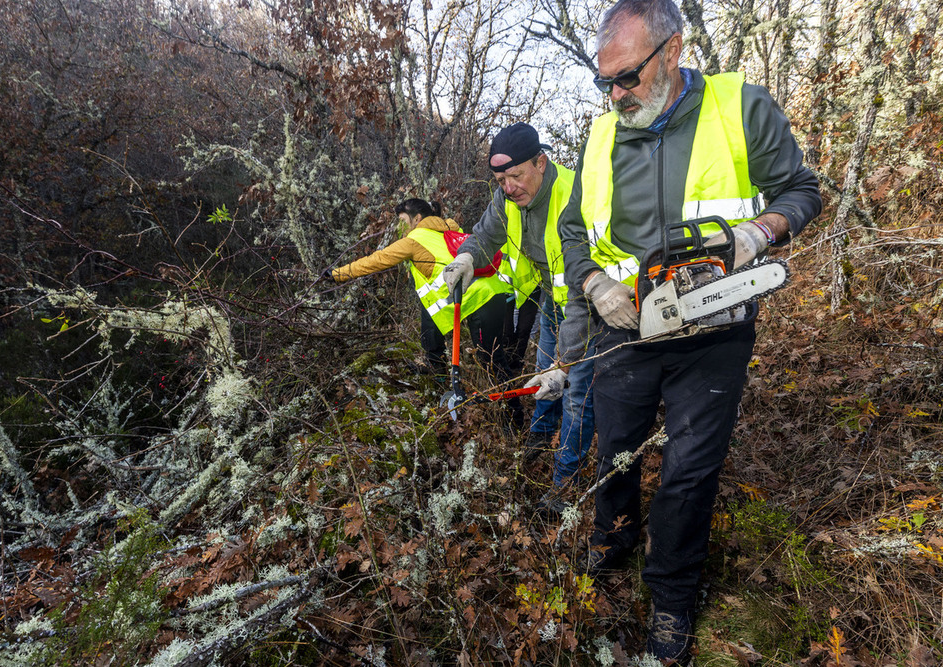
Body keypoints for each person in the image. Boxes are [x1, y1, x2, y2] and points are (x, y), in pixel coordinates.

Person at [530, 0, 823, 663]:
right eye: (604, 80)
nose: (615, 93)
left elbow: (802, 190)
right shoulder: (603, 133)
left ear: (673, 52)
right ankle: (614, 537)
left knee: (689, 471)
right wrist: (594, 283)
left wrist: (760, 231)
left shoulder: (739, 108)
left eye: (627, 77)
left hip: (712, 328)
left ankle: (671, 595)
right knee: (616, 449)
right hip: (626, 327)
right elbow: (576, 231)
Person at [441, 123, 597, 513]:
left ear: (540, 162)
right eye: (499, 179)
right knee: (542, 377)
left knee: (576, 392)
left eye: (515, 176)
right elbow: (485, 235)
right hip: (549, 301)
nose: (508, 187)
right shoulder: (506, 199)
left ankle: (564, 487)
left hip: (590, 306)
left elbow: (583, 283)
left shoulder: (576, 194)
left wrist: (568, 360)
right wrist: (466, 258)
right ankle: (538, 440)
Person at [328, 198, 513, 382]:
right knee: (431, 306)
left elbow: (375, 261)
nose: (399, 228)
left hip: (477, 300)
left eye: (402, 221)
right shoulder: (449, 229)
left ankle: (512, 409)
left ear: (416, 218)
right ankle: (436, 365)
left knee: (493, 365)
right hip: (493, 293)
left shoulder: (413, 240)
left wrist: (338, 274)